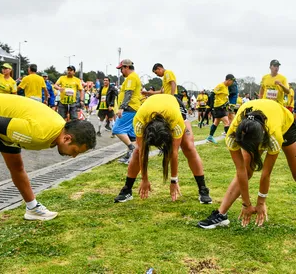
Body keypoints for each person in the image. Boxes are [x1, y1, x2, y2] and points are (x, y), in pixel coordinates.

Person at [0, 93, 96, 221]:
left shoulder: (58, 127)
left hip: (8, 129)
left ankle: (33, 209)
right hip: (2, 122)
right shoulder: (39, 134)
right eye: (75, 151)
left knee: (17, 166)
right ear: (67, 138)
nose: (74, 156)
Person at [198, 99, 296, 229]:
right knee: (247, 167)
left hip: (284, 123)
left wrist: (261, 202)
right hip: (257, 125)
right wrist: (246, 204)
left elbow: (266, 174)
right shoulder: (232, 134)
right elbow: (241, 171)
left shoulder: (274, 136)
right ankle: (221, 215)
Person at [114, 94, 212, 204]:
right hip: (149, 108)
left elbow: (173, 152)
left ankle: (203, 189)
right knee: (137, 151)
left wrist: (174, 180)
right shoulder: (139, 120)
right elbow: (142, 152)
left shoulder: (176, 121)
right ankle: (127, 189)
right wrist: (144, 179)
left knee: (188, 146)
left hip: (174, 106)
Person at [113, 59, 142, 164]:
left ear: (126, 67)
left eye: (121, 69)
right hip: (133, 108)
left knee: (117, 129)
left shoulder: (131, 78)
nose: (121, 71)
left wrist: (122, 107)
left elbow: (128, 93)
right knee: (131, 135)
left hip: (129, 108)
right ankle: (130, 157)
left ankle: (132, 149)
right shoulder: (133, 77)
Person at [206, 74, 235, 144]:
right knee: (227, 122)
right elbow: (212, 94)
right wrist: (211, 105)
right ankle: (230, 139)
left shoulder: (226, 87)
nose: (232, 83)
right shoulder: (220, 85)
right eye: (232, 81)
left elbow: (224, 98)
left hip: (223, 107)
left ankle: (210, 137)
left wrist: (228, 105)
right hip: (218, 107)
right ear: (229, 80)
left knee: (216, 122)